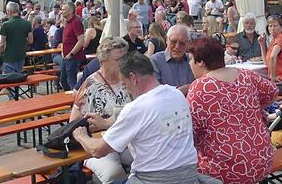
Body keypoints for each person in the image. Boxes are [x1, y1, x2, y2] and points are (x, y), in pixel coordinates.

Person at [73, 53, 213, 184]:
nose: (126, 89)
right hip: (189, 176)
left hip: (154, 179)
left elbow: (97, 151)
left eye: (124, 84)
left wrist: (81, 136)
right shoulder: (176, 94)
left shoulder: (137, 108)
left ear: (133, 78)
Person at [187, 38, 277, 183]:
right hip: (262, 158)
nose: (189, 64)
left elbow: (192, 130)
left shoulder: (200, 87)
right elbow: (272, 93)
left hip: (228, 167)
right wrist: (255, 109)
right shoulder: (246, 75)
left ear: (200, 62)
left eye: (190, 60)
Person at [71, 37, 133, 183]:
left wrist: (108, 123)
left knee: (149, 160)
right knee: (113, 173)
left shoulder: (130, 80)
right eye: (119, 59)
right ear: (103, 61)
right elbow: (73, 122)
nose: (124, 63)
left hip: (127, 140)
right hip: (99, 143)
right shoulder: (90, 84)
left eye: (126, 58)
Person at [150, 25, 195, 94]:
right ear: (167, 40)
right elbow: (157, 93)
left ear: (188, 44)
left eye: (182, 43)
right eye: (173, 42)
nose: (177, 46)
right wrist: (190, 87)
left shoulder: (193, 61)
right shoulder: (155, 61)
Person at [0, 1, 33, 76]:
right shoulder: (27, 23)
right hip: (21, 56)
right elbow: (30, 41)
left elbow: (1, 44)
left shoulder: (5, 25)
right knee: (18, 78)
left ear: (9, 11)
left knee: (8, 82)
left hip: (9, 57)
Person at [61, 2, 86, 90]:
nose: (62, 11)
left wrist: (71, 54)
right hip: (66, 56)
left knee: (71, 81)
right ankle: (68, 99)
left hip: (72, 57)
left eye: (64, 9)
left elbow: (81, 40)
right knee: (64, 80)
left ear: (71, 10)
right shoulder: (68, 22)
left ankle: (73, 100)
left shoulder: (76, 22)